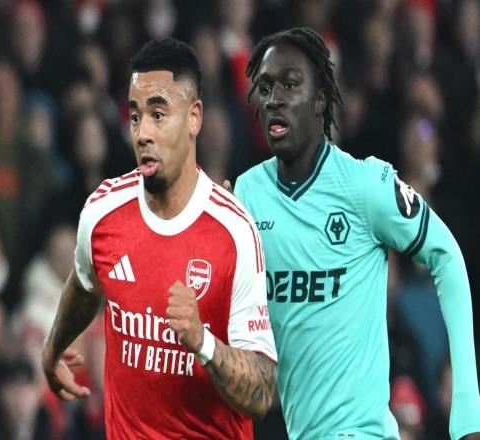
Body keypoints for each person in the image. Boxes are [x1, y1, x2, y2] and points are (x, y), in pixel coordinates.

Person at [233, 27, 480, 440]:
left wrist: (468, 409)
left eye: (290, 85)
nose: (274, 99)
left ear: (320, 99)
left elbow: (447, 256)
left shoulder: (366, 185)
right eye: (265, 87)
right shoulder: (247, 194)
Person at [41, 38, 277, 439]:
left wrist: (202, 342)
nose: (142, 133)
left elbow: (262, 392)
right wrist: (53, 349)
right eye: (135, 117)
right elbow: (84, 284)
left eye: (158, 114)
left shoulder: (235, 232)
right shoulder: (102, 212)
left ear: (194, 118)